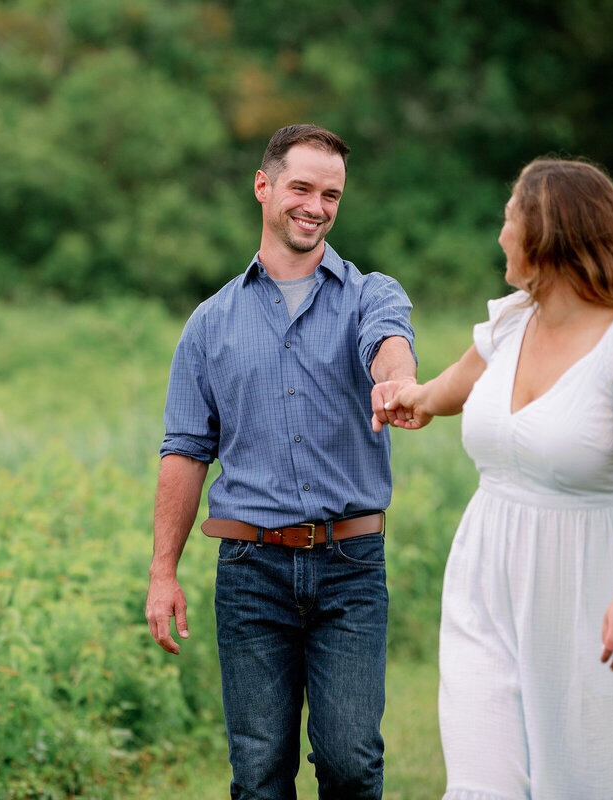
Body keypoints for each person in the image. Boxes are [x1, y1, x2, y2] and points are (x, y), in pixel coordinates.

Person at [382, 157, 613, 799]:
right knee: (483, 778)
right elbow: (453, 387)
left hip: (588, 583)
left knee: (596, 775)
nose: (501, 233)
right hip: (485, 577)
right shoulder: (512, 321)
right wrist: (411, 397)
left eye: (510, 218)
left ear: (545, 234)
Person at [145, 123, 417, 799]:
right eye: (302, 187)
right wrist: (163, 572)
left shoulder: (369, 294)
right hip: (249, 570)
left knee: (352, 762)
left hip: (350, 566)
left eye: (332, 194)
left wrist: (395, 381)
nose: (317, 206)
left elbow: (390, 345)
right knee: (260, 770)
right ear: (264, 187)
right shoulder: (209, 323)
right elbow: (185, 449)